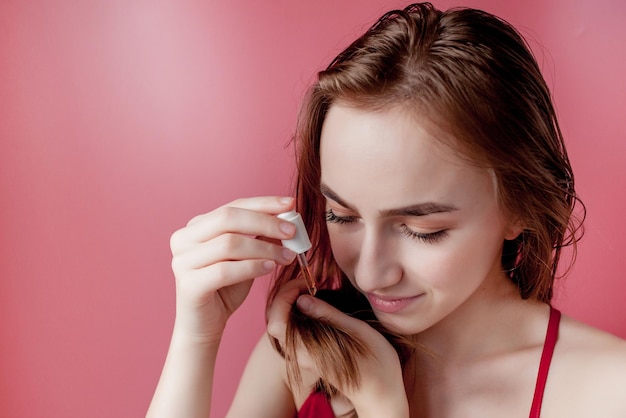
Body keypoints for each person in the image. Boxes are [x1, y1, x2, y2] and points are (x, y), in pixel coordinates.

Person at [146, 3, 626, 417]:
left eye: (422, 229)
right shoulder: (309, 348)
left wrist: (382, 406)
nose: (370, 274)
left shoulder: (608, 392)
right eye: (341, 216)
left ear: (520, 205)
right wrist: (196, 337)